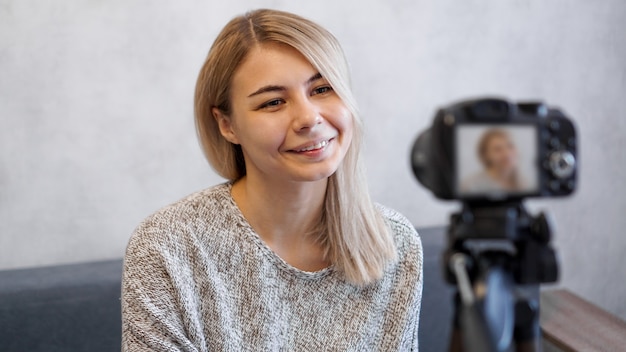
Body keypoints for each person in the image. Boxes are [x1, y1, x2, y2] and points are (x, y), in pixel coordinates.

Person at [122, 9, 422, 351]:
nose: (309, 118)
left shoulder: (394, 244)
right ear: (227, 124)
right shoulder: (166, 246)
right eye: (273, 102)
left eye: (322, 88)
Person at [460, 128, 528, 194]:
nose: (507, 154)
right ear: (486, 155)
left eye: (510, 146)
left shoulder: (525, 183)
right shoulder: (471, 186)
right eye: (498, 149)